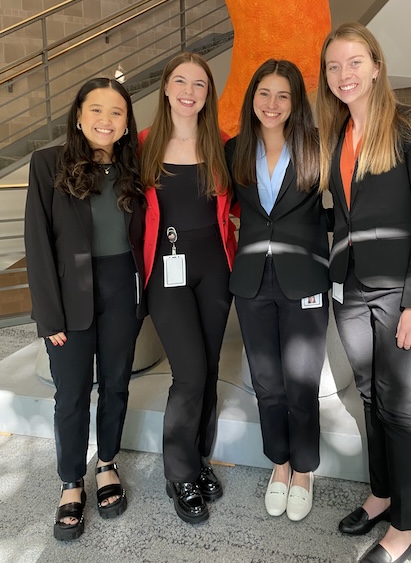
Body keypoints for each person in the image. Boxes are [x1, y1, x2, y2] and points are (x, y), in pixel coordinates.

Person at [317, 22, 411, 563]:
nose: (344, 75)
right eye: (333, 66)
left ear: (375, 65)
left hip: (399, 292)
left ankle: (407, 527)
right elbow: (342, 214)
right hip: (348, 290)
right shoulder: (338, 136)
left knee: (399, 404)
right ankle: (382, 494)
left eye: (353, 62)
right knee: (369, 397)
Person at [24, 78, 146, 541]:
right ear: (78, 115)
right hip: (69, 295)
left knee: (115, 384)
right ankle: (71, 480)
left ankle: (107, 464)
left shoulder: (134, 166)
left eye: (116, 112)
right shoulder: (48, 164)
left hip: (121, 290)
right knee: (71, 393)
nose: (105, 120)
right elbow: (37, 244)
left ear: (126, 121)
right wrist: (48, 317)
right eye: (96, 110)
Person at [225, 59, 330, 522]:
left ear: (295, 102)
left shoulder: (316, 147)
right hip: (252, 282)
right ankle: (280, 465)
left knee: (301, 382)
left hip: (304, 278)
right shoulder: (234, 151)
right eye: (264, 93)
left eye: (283, 95)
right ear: (252, 99)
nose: (272, 104)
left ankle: (305, 470)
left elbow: (340, 208)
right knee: (267, 382)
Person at [139, 52, 236, 524]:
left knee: (211, 368)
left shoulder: (221, 144)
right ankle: (179, 472)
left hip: (215, 268)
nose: (189, 91)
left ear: (207, 94)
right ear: (165, 87)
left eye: (199, 84)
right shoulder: (141, 145)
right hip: (165, 272)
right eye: (181, 80)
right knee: (189, 373)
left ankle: (199, 461)